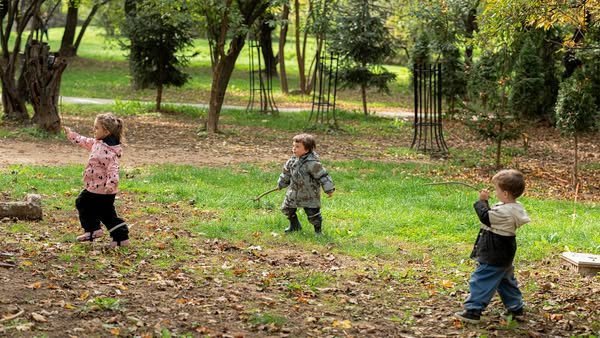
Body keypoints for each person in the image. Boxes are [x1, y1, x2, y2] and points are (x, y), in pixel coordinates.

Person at [455, 169, 531, 323]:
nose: (494, 192)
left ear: (506, 194)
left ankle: (473, 310)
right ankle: (516, 308)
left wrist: (482, 201)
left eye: (496, 190)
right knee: (505, 280)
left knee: (482, 278)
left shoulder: (505, 213)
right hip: (505, 253)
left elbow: (485, 217)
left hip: (494, 252)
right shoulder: (514, 208)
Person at [63, 113, 130, 248]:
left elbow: (113, 169)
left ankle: (120, 238)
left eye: (96, 128)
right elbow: (84, 141)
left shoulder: (110, 152)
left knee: (105, 214)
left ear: (106, 131)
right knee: (84, 203)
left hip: (104, 190)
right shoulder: (97, 143)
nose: (94, 130)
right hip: (93, 187)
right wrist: (71, 134)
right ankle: (93, 230)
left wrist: (111, 184)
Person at [277, 133, 335, 234]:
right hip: (293, 193)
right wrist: (281, 183)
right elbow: (286, 173)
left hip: (309, 194)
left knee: (313, 214)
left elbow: (323, 176)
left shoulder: (312, 163)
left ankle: (318, 231)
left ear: (307, 149)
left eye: (298, 147)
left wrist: (329, 189)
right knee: (287, 209)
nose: (294, 149)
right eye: (293, 146)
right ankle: (294, 226)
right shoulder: (291, 162)